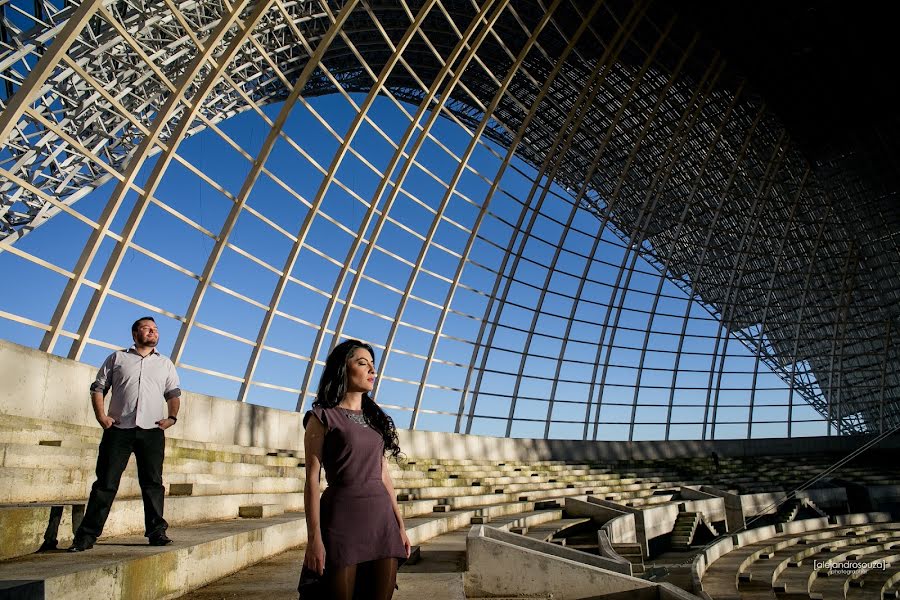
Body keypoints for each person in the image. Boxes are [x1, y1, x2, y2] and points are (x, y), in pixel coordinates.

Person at [302, 339, 411, 599]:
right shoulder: (322, 417)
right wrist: (313, 538)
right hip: (342, 522)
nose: (372, 370)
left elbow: (384, 474)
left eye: (373, 365)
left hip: (381, 522)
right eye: (363, 364)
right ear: (343, 369)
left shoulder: (375, 419)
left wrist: (400, 526)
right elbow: (312, 481)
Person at [68, 316, 181, 552]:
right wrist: (101, 416)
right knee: (105, 483)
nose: (152, 332)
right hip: (118, 430)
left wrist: (171, 418)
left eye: (155, 329)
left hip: (152, 431)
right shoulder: (117, 358)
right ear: (134, 334)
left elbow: (173, 394)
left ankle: (157, 532)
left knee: (153, 484)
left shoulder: (165, 364)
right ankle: (86, 537)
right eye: (146, 328)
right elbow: (98, 388)